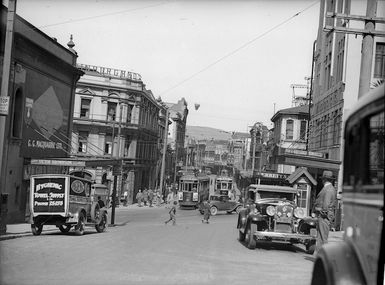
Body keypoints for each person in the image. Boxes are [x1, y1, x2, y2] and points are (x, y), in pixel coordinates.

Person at [313, 170, 337, 254]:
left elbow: (326, 205)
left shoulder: (328, 189)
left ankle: (323, 257)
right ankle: (320, 256)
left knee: (322, 238)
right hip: (324, 216)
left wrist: (320, 211)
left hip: (324, 216)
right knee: (321, 237)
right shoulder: (329, 188)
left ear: (324, 179)